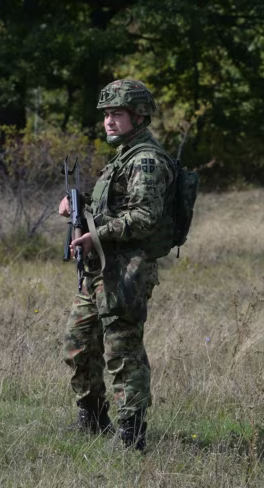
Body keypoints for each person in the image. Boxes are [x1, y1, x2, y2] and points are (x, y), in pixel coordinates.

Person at [58, 79, 176, 451]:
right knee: (78, 343)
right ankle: (92, 419)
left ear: (138, 116)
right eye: (107, 114)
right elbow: (114, 206)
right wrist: (78, 206)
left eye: (118, 114)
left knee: (122, 353)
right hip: (100, 267)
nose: (109, 121)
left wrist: (96, 235)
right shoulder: (124, 155)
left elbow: (144, 217)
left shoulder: (146, 160)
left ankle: (131, 435)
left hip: (127, 270)